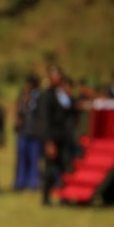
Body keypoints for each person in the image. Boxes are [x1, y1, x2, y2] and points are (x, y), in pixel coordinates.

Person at [39, 65, 75, 206]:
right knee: (50, 169)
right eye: (55, 76)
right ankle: (46, 197)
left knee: (65, 167)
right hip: (52, 137)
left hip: (64, 137)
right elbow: (45, 120)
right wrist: (49, 141)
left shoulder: (64, 94)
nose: (58, 78)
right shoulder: (46, 95)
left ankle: (64, 197)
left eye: (59, 75)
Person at [13, 74, 41, 191]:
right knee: (22, 159)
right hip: (23, 132)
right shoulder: (22, 96)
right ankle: (20, 182)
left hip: (35, 133)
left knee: (34, 159)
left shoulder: (40, 97)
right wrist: (24, 103)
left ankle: (33, 182)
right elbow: (18, 113)